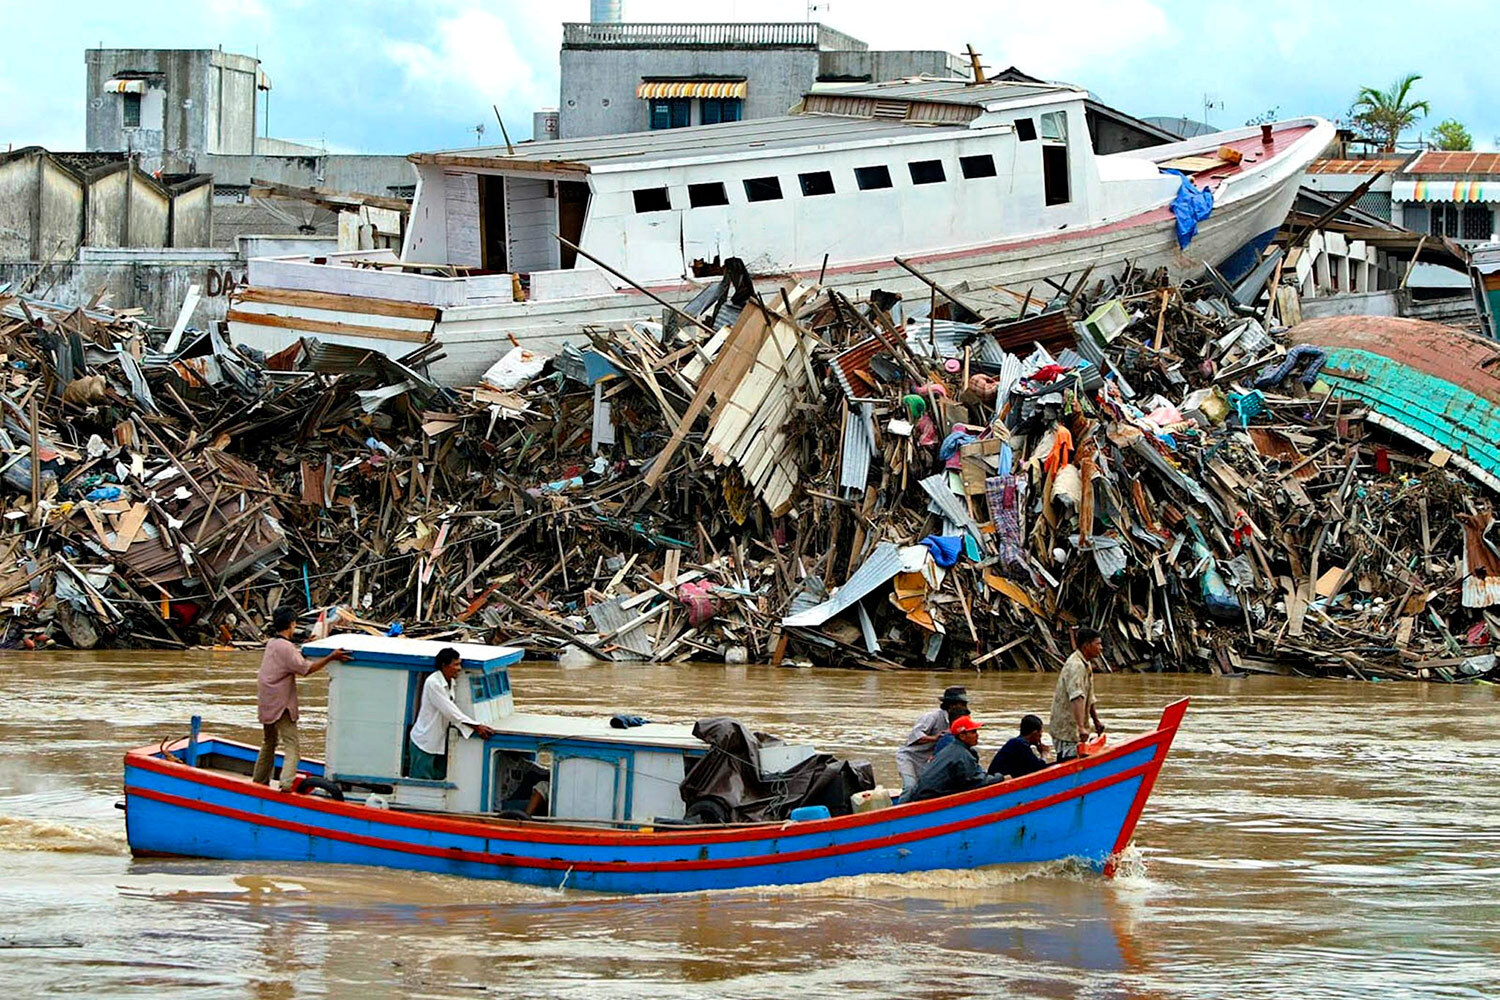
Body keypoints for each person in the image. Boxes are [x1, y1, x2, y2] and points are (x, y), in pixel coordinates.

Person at [253, 606, 350, 791]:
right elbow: (306, 669)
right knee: (292, 745)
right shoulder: (286, 647)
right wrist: (331, 657)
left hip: (267, 700)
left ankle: (259, 781)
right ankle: (286, 783)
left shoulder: (272, 643)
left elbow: (290, 659)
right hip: (280, 703)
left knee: (269, 742)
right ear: (291, 624)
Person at [408, 647, 496, 780]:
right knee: (421, 781)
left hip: (438, 740)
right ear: (444, 665)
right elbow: (450, 711)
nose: (459, 668)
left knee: (438, 779)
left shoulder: (452, 683)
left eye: (459, 664)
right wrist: (476, 726)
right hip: (424, 740)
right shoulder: (434, 683)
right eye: (456, 664)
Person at [896, 686, 969, 796]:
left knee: (924, 790)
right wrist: (934, 738)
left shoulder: (957, 720)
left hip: (928, 761)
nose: (965, 707)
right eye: (962, 704)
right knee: (910, 787)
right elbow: (915, 737)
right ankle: (901, 812)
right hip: (910, 758)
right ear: (951, 705)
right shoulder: (932, 717)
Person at [909, 716, 1000, 801]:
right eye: (973, 732)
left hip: (923, 795)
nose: (977, 735)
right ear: (962, 736)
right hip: (930, 798)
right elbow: (974, 782)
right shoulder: (961, 754)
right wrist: (999, 778)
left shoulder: (954, 749)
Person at [1050, 628, 1107, 763]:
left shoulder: (1085, 663)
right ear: (1086, 646)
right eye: (1097, 644)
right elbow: (1077, 698)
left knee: (1076, 760)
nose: (1101, 647)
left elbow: (1089, 698)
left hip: (1075, 728)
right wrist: (1081, 727)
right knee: (1068, 762)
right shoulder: (1076, 666)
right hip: (1066, 729)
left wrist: (1096, 720)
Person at [988, 714, 1049, 779]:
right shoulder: (1021, 745)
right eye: (1040, 733)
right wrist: (1044, 754)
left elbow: (1032, 765)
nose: (1041, 736)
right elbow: (1039, 769)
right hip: (997, 782)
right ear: (1035, 733)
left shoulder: (1016, 742)